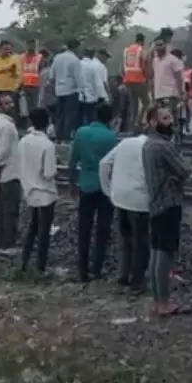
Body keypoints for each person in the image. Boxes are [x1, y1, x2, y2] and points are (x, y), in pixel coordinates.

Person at [142, 103, 191, 316]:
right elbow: (184, 170)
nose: (170, 122)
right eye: (164, 118)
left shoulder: (148, 144)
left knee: (155, 252)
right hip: (168, 203)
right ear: (153, 122)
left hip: (154, 203)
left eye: (170, 117)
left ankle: (156, 299)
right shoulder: (163, 146)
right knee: (165, 253)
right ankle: (164, 302)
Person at [70, 103, 118, 281]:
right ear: (110, 119)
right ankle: (96, 268)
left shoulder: (81, 133)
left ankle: (82, 268)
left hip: (85, 185)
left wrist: (71, 181)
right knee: (102, 230)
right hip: (105, 189)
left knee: (84, 228)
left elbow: (73, 160)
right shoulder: (111, 138)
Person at [102, 132, 150, 291]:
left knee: (124, 238)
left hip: (119, 198)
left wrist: (108, 190)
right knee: (140, 241)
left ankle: (122, 275)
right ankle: (137, 281)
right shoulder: (149, 147)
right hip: (139, 201)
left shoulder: (125, 143)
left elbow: (104, 163)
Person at [18, 108, 58, 274]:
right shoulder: (47, 145)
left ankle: (24, 262)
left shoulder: (23, 141)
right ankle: (41, 266)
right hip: (45, 193)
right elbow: (48, 173)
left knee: (32, 228)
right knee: (43, 231)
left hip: (29, 191)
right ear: (47, 123)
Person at [0, 92, 23, 255]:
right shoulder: (8, 126)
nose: (11, 106)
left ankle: (3, 243)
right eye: (7, 104)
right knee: (10, 210)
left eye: (11, 103)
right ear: (0, 107)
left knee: (2, 210)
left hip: (3, 174)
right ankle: (8, 244)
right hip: (9, 173)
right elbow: (2, 152)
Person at [51, 40, 82, 141]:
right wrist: (81, 90)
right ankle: (66, 137)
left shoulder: (57, 58)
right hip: (71, 90)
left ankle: (58, 136)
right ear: (76, 48)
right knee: (69, 115)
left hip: (59, 90)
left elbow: (51, 76)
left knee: (59, 115)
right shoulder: (75, 59)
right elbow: (78, 77)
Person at [150, 39, 185, 127]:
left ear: (164, 48)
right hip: (159, 94)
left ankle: (174, 135)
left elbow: (179, 78)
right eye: (156, 49)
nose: (157, 51)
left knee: (169, 116)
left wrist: (181, 93)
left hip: (170, 93)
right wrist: (153, 93)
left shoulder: (173, 60)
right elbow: (155, 77)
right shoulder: (155, 61)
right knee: (161, 118)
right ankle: (166, 136)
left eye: (159, 49)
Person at [122, 33, 150, 132]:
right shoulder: (141, 50)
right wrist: (147, 78)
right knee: (146, 102)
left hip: (127, 80)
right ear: (142, 41)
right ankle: (138, 123)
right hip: (138, 79)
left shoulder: (127, 50)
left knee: (134, 104)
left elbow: (123, 67)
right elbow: (145, 65)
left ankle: (132, 126)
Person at [0, 40, 22, 114]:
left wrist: (13, 72)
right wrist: (2, 70)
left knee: (12, 111)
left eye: (9, 49)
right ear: (0, 49)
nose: (8, 51)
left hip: (10, 89)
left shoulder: (15, 59)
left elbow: (19, 75)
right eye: (5, 49)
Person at [78, 48, 106, 127]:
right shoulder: (94, 66)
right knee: (90, 120)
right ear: (93, 55)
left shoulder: (77, 64)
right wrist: (99, 97)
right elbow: (98, 84)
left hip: (78, 97)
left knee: (79, 120)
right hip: (90, 98)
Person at [20, 41, 42, 115]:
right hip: (24, 85)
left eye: (33, 45)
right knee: (25, 107)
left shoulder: (39, 57)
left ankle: (34, 123)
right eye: (29, 45)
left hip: (35, 85)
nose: (31, 47)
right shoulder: (21, 57)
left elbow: (41, 70)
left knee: (35, 106)